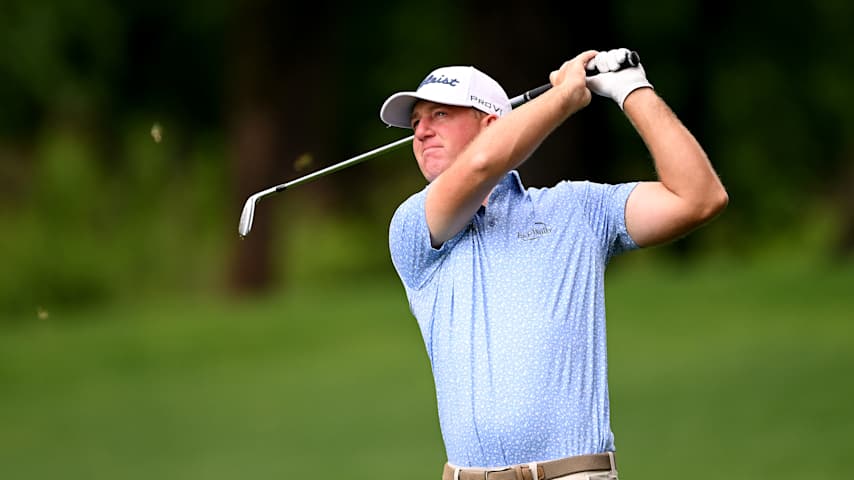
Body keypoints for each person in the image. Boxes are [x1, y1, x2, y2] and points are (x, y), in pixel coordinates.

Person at [380, 48, 728, 480]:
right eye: (416, 123)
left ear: (493, 123)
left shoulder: (576, 209)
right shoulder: (413, 227)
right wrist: (564, 97)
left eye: (440, 115)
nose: (421, 132)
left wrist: (631, 89)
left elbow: (699, 198)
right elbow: (480, 165)